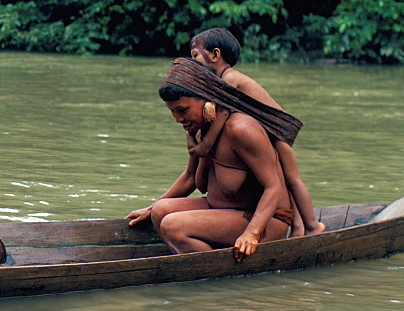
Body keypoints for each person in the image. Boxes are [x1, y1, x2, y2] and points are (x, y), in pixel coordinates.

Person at [127, 58, 298, 262]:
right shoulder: (200, 129)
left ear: (207, 100)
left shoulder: (241, 129)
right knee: (160, 211)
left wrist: (251, 233)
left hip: (266, 220)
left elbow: (273, 187)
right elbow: (191, 177)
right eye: (172, 111)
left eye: (182, 110)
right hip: (223, 210)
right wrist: (150, 208)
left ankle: (213, 272)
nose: (177, 119)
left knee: (173, 226)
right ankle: (202, 257)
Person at [189, 27, 324, 236]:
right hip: (270, 130)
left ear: (215, 54)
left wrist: (206, 144)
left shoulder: (229, 78)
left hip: (278, 130)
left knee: (293, 180)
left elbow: (223, 112)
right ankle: (298, 227)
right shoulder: (222, 80)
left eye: (196, 56)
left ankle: (313, 225)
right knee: (288, 180)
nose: (194, 63)